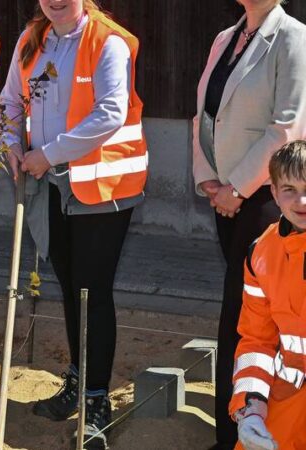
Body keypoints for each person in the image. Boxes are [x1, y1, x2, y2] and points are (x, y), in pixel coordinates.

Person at [0, 0, 147, 447]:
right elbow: (9, 100)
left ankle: (98, 397)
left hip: (102, 189)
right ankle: (78, 382)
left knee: (92, 291)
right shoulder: (31, 39)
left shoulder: (108, 42)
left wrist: (47, 154)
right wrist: (10, 141)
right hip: (50, 188)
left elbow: (110, 113)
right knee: (68, 284)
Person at [191, 1, 306, 447]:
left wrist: (236, 189)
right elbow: (204, 113)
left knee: (242, 316)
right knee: (247, 316)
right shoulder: (224, 38)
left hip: (267, 200)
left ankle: (236, 433)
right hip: (225, 196)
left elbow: (287, 126)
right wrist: (208, 180)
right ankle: (245, 421)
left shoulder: (294, 37)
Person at [230, 140, 306, 450]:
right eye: (289, 189)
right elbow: (256, 341)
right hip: (289, 394)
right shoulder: (262, 253)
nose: (302, 200)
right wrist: (252, 408)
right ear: (273, 193)